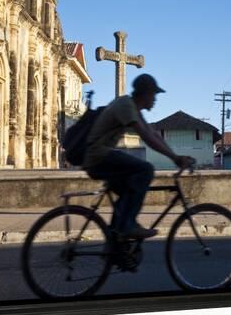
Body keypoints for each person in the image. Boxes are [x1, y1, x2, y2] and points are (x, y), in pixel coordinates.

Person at [82, 74, 195, 240]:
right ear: (146, 93)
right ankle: (127, 226)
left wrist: (175, 156)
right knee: (146, 170)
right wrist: (175, 158)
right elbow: (146, 137)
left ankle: (116, 240)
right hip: (98, 156)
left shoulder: (134, 108)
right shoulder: (126, 105)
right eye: (154, 95)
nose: (155, 99)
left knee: (130, 191)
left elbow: (153, 134)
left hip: (100, 156)